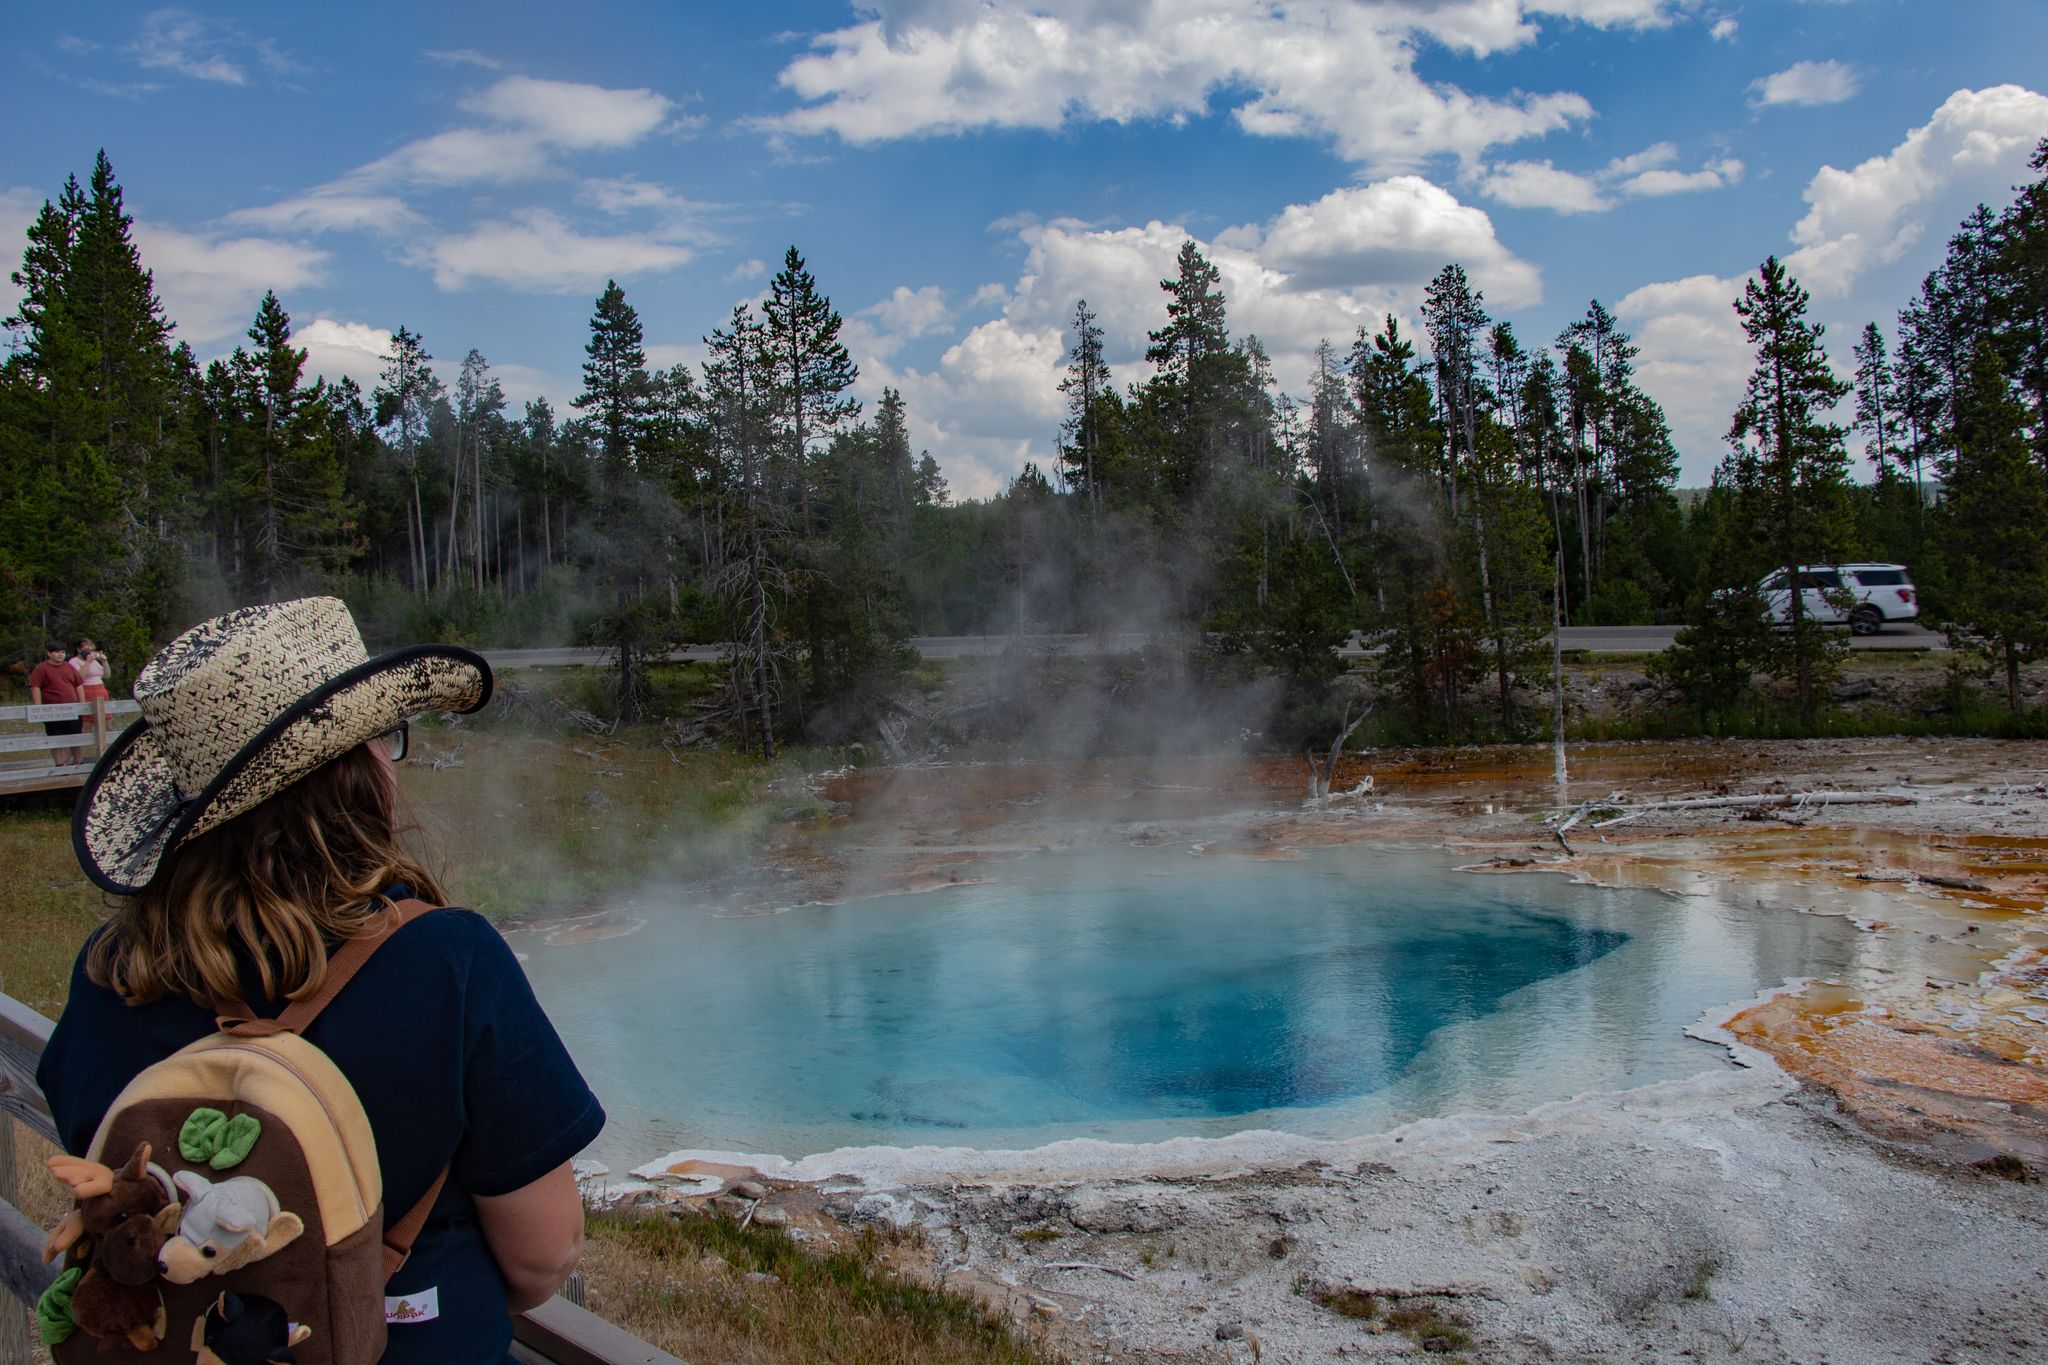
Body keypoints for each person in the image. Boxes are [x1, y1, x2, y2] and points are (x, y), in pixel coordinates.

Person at [38, 596, 604, 1364]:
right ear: (351, 775)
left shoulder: (111, 974)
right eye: (381, 739)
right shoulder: (447, 959)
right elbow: (545, 1253)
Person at [27, 641, 85, 766]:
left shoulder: (69, 667)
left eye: (63, 652)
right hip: (52, 710)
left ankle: (78, 761)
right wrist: (38, 707)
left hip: (72, 708)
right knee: (55, 736)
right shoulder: (41, 668)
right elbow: (35, 686)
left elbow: (79, 684)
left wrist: (83, 704)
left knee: (75, 736)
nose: (60, 655)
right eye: (57, 652)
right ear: (49, 653)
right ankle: (59, 764)